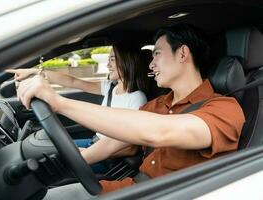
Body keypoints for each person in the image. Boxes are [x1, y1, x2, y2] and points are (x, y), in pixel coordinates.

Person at [15, 24, 245, 199]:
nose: (151, 64)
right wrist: (70, 161)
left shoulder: (224, 109)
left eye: (156, 54)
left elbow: (161, 132)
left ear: (183, 54)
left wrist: (60, 103)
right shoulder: (156, 105)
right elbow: (115, 143)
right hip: (132, 187)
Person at [7, 44, 149, 173]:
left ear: (127, 61)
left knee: (51, 166)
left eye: (112, 59)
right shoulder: (110, 87)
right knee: (45, 151)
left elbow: (131, 147)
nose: (108, 64)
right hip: (93, 142)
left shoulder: (137, 98)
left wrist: (88, 153)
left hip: (107, 157)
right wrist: (33, 72)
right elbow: (73, 81)